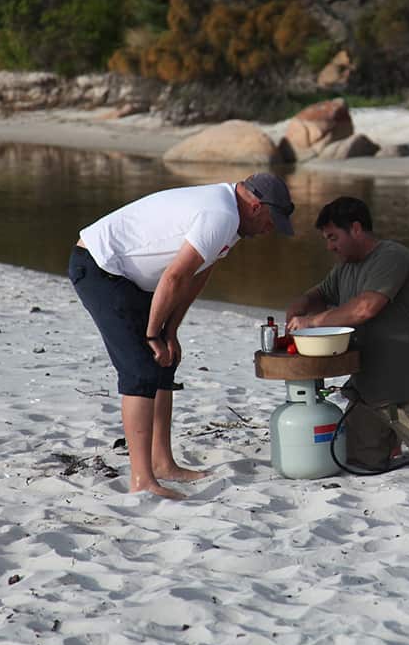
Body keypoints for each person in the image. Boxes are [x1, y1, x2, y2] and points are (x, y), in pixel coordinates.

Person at [69, 173, 295, 499]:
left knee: (165, 364)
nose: (270, 230)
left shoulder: (231, 221)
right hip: (98, 267)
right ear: (257, 206)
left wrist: (170, 331)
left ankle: (162, 463)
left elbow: (196, 277)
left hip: (129, 279)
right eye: (272, 221)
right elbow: (175, 276)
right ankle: (142, 479)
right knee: (140, 369)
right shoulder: (222, 215)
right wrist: (151, 336)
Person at [286, 196, 409, 470]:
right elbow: (318, 294)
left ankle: (404, 438)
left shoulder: (393, 256)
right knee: (360, 463)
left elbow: (366, 308)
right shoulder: (344, 268)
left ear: (356, 228)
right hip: (368, 394)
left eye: (333, 237)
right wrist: (298, 308)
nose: (330, 247)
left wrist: (313, 322)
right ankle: (389, 440)